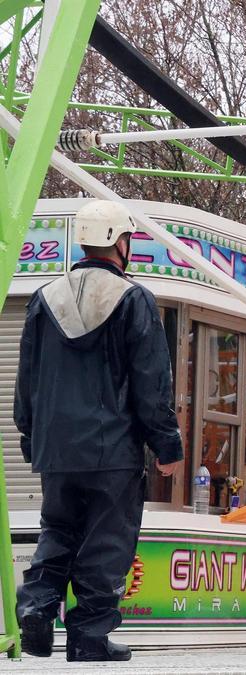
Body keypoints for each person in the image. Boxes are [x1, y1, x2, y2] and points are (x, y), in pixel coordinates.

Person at [14, 200, 184, 662]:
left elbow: (26, 376)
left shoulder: (43, 299)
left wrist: (32, 436)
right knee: (107, 539)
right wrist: (166, 443)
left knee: (58, 530)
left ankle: (36, 611)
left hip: (57, 449)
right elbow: (152, 382)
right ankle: (89, 636)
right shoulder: (133, 299)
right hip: (113, 450)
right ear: (119, 241)